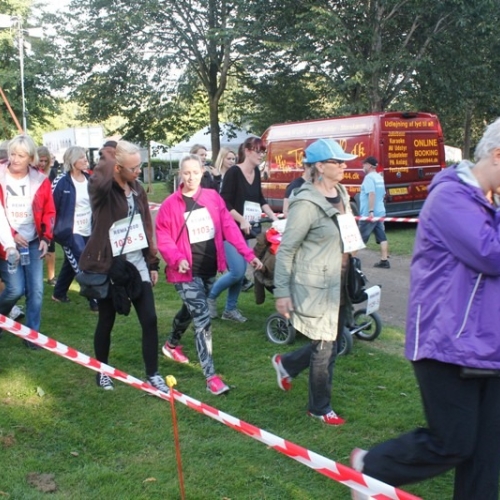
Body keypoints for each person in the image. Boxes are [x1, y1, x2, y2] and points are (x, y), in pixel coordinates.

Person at [350, 117, 500, 500]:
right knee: (453, 443)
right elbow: (490, 254)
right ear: (498, 155)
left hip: (489, 346)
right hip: (446, 342)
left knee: (485, 457)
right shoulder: (451, 197)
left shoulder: (489, 203)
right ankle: (373, 467)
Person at [156, 154, 262, 394]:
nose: (190, 177)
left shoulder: (213, 198)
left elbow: (229, 228)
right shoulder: (170, 205)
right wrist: (177, 259)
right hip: (184, 272)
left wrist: (248, 255)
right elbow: (163, 236)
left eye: (195, 172)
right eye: (186, 173)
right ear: (180, 174)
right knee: (202, 318)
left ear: (202, 172)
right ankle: (211, 377)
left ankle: (171, 345)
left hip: (208, 269)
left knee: (191, 309)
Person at [271, 138, 357, 425]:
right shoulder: (305, 203)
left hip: (341, 281)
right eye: (338, 162)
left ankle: (286, 364)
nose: (344, 166)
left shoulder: (341, 192)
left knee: (332, 341)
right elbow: (286, 249)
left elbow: (346, 230)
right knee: (325, 348)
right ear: (320, 166)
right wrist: (282, 292)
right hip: (316, 286)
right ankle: (319, 408)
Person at [78, 140, 169, 393]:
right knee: (106, 320)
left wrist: (152, 263)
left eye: (139, 166)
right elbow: (99, 177)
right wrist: (111, 150)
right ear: (117, 167)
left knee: (150, 319)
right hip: (109, 266)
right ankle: (103, 371)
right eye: (133, 168)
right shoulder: (102, 190)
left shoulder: (137, 189)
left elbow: (146, 226)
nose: (138, 171)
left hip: (136, 263)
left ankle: (153, 374)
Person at [207, 137, 278, 322]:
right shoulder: (234, 173)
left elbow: (260, 199)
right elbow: (224, 202)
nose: (261, 155)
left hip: (245, 231)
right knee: (238, 271)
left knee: (239, 274)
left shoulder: (256, 172)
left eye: (263, 152)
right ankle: (210, 297)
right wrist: (241, 220)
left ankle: (230, 310)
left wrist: (274, 217)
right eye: (258, 151)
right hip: (229, 230)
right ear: (247, 151)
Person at [0, 135, 55, 349]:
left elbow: (49, 211)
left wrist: (46, 238)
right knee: (15, 289)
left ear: (31, 158)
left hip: (33, 242)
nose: (15, 159)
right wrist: (11, 235)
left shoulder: (40, 180)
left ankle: (32, 335)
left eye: (21, 156)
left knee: (36, 290)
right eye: (12, 154)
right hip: (6, 244)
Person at [51, 146, 98, 311]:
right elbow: (51, 207)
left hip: (88, 229)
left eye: (85, 157)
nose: (86, 160)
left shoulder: (89, 179)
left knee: (71, 262)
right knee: (83, 263)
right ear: (72, 161)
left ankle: (58, 293)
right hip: (70, 231)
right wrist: (54, 231)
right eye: (81, 157)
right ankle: (95, 300)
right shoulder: (61, 181)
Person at [358, 156, 390, 268]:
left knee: (357, 239)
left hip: (369, 214)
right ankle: (384, 260)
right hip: (380, 212)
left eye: (364, 164)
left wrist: (371, 210)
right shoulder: (379, 177)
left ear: (369, 165)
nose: (363, 166)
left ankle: (348, 262)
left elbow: (371, 193)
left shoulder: (369, 178)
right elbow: (383, 194)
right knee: (382, 236)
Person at [37, 146, 57, 285]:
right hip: (36, 215)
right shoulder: (32, 174)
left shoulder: (52, 174)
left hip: (49, 214)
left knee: (50, 245)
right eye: (41, 160)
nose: (43, 164)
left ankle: (51, 277)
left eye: (45, 161)